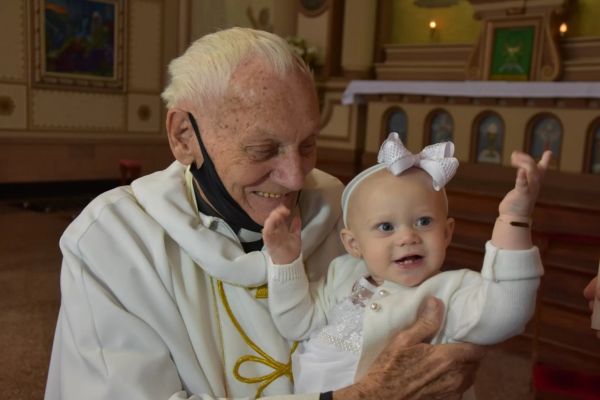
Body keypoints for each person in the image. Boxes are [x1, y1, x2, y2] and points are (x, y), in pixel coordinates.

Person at [45, 28, 484, 400]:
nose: (295, 179)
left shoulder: (343, 212)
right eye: (263, 149)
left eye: (308, 144)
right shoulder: (115, 242)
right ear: (184, 136)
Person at [264, 133, 551, 396]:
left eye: (424, 222)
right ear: (353, 244)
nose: (408, 236)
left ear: (447, 232)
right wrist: (286, 261)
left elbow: (506, 312)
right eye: (386, 226)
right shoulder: (342, 274)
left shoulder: (450, 290)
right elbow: (296, 324)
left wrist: (514, 218)